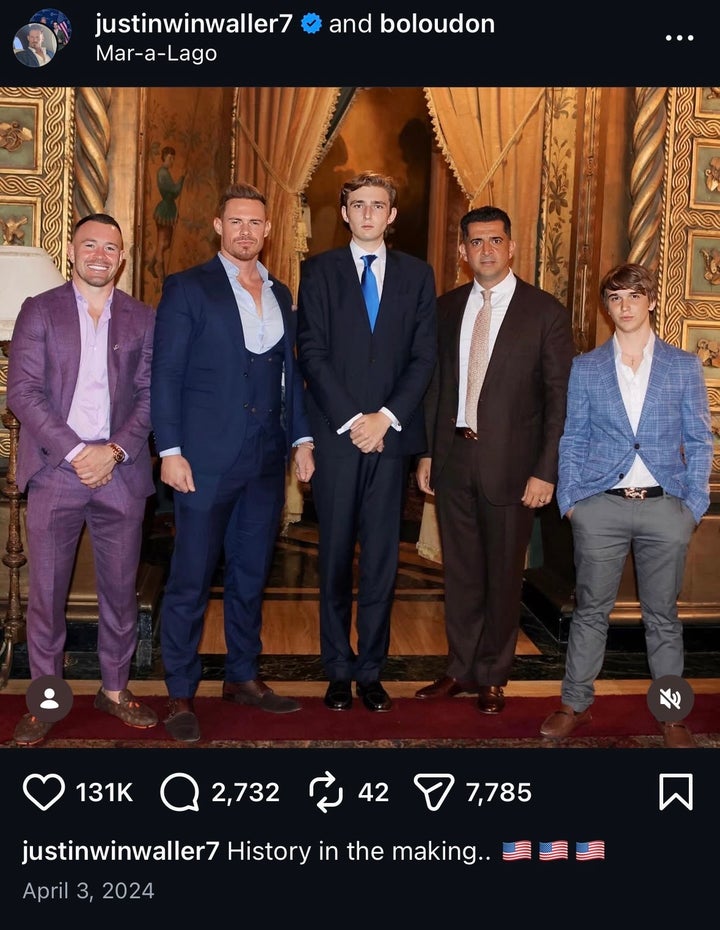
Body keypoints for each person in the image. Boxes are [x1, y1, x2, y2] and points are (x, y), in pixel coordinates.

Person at [151, 182, 315, 742]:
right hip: (203, 460)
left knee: (250, 574)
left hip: (267, 460)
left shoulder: (281, 293)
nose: (246, 231)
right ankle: (180, 691)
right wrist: (169, 451)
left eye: (255, 223)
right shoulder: (187, 287)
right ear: (219, 226)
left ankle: (242, 676)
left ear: (267, 230)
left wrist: (302, 440)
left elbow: (290, 374)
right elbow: (165, 374)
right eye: (236, 221)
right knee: (190, 578)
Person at [539, 262, 713, 747]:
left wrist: (693, 505)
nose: (625, 306)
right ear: (607, 307)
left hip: (666, 507)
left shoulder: (683, 365)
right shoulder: (587, 367)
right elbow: (573, 437)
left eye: (634, 296)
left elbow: (700, 439)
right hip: (601, 507)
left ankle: (671, 716)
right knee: (590, 611)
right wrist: (573, 501)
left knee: (663, 617)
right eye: (615, 298)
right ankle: (575, 705)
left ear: (651, 301)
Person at [415, 205, 575, 713]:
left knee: (504, 575)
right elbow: (435, 388)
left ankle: (492, 675)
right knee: (460, 573)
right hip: (453, 457)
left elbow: (559, 401)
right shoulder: (445, 309)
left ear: (512, 247)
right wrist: (427, 451)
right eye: (476, 242)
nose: (486, 250)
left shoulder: (545, 312)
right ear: (462, 251)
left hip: (514, 466)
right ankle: (459, 669)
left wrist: (545, 471)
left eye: (495, 240)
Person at [7, 213, 158, 746]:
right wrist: (77, 452)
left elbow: (151, 395)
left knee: (120, 591)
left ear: (122, 257)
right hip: (56, 470)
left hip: (121, 471)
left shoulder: (143, 318)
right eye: (89, 245)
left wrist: (112, 452)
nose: (99, 255)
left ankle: (114, 690)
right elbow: (23, 393)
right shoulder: (39, 310)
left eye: (110, 247)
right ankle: (47, 700)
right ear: (71, 252)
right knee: (46, 595)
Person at [296, 171, 437, 713]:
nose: (368, 214)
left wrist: (386, 418)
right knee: (333, 558)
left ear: (392, 215)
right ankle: (337, 670)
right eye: (358, 205)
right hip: (338, 439)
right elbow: (312, 351)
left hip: (391, 440)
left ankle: (371, 671)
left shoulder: (417, 275)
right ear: (345, 212)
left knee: (381, 561)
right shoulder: (319, 271)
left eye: (378, 205)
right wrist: (356, 419)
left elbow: (423, 356)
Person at [148, 146, 185, 281]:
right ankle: (163, 278)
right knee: (162, 243)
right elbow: (173, 191)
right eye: (170, 158)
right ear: (164, 157)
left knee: (166, 243)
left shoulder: (165, 172)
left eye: (173, 158)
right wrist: (181, 180)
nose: (172, 161)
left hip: (169, 209)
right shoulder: (162, 173)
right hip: (165, 210)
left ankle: (151, 265)